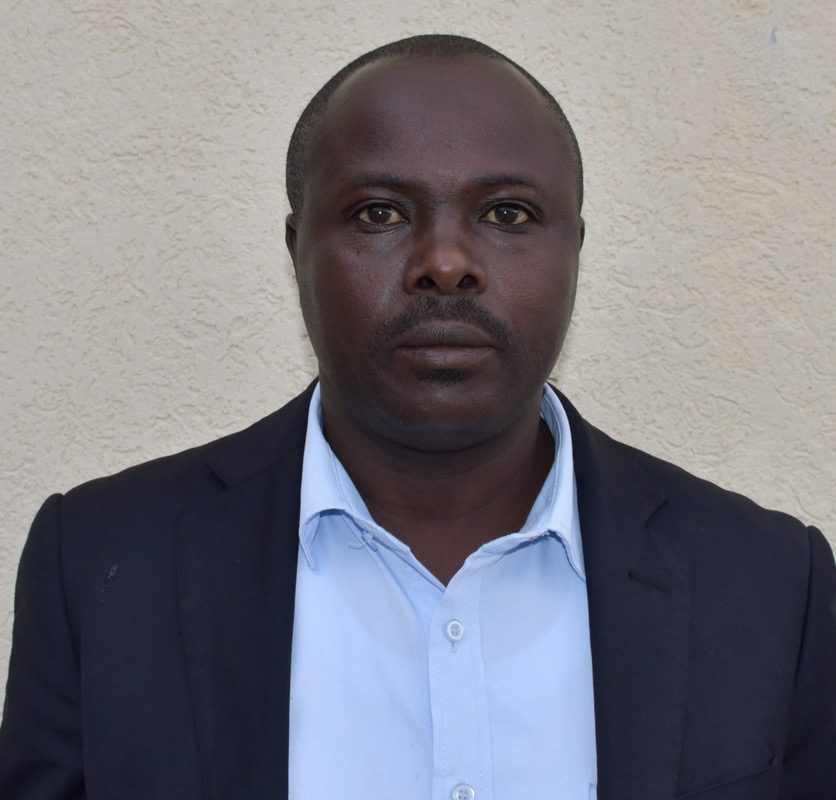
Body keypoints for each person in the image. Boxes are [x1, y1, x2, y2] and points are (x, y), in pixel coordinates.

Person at [0, 33, 833, 800]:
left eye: (507, 214)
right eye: (380, 213)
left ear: (574, 248)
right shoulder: (103, 565)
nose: (445, 263)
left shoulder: (767, 583)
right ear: (296, 249)